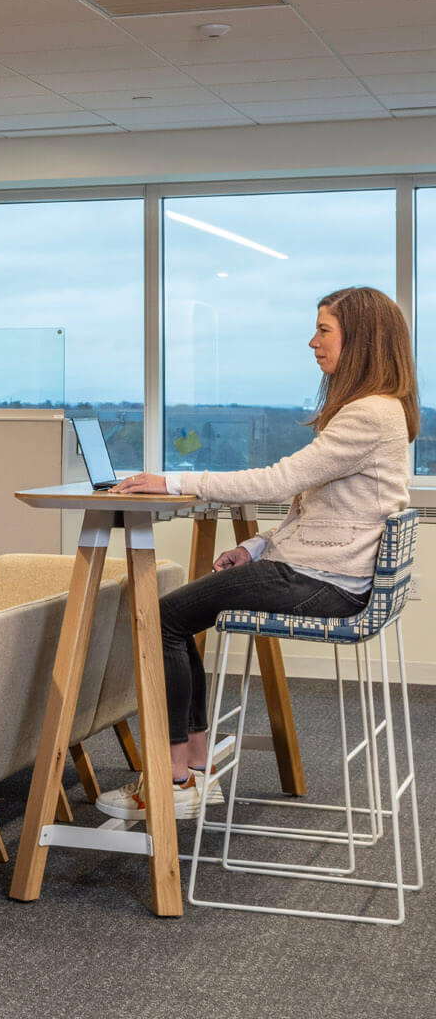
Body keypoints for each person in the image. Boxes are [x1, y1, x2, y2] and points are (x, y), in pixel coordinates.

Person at [104, 285, 416, 821]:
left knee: (164, 618)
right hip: (323, 570)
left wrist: (173, 481)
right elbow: (314, 505)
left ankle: (174, 778)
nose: (312, 342)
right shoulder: (379, 411)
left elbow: (279, 481)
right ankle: (193, 770)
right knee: (178, 616)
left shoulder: (369, 413)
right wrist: (256, 545)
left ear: (359, 339)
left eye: (324, 330)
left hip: (324, 579)